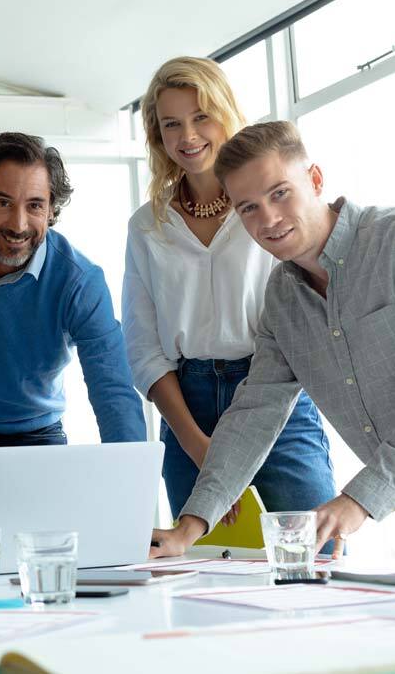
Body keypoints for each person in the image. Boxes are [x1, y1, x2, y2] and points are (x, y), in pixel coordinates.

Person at [151, 120, 395, 560]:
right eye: (248, 208)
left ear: (315, 180)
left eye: (280, 193)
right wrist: (188, 529)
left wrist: (360, 499)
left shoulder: (389, 243)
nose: (268, 220)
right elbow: (254, 412)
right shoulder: (282, 299)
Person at [122, 57, 335, 526]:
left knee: (309, 554)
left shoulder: (268, 209)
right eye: (171, 124)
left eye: (201, 116)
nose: (188, 136)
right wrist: (195, 442)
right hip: (187, 408)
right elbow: (142, 347)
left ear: (225, 114)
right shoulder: (146, 226)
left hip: (277, 393)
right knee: (202, 571)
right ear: (158, 135)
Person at [0, 132, 146, 530]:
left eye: (35, 206)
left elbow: (113, 391)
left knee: (38, 572)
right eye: (4, 202)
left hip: (34, 443)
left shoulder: (79, 280)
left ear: (52, 211)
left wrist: (131, 497)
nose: (19, 224)